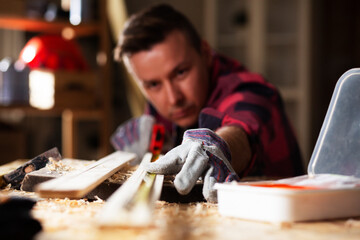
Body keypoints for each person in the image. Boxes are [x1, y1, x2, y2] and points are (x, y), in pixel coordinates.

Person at [111, 3, 303, 202]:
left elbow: (243, 128)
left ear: (204, 53)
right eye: (153, 84)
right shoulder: (164, 103)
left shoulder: (250, 90)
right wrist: (148, 153)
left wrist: (218, 146)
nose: (173, 98)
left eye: (181, 72)